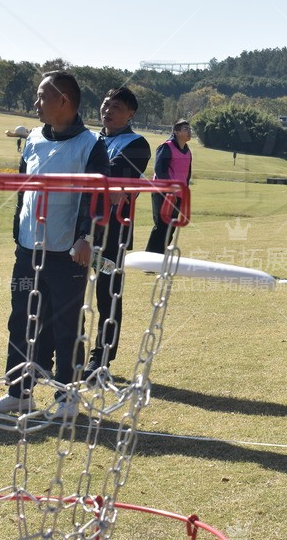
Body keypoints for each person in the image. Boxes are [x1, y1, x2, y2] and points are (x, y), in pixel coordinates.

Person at [0, 71, 108, 417]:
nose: (35, 104)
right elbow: (24, 189)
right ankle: (18, 392)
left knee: (67, 325)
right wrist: (17, 235)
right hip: (28, 249)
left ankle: (67, 396)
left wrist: (86, 237)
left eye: (41, 97)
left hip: (68, 253)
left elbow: (96, 199)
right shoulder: (35, 138)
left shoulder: (91, 145)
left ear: (63, 101)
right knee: (20, 320)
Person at [85, 87, 151, 376]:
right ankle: (68, 354)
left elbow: (109, 184)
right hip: (77, 228)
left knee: (106, 293)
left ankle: (100, 358)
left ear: (130, 114)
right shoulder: (89, 139)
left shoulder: (137, 143)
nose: (108, 110)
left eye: (117, 106)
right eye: (105, 103)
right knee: (69, 291)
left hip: (112, 234)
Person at [145, 120, 192, 254]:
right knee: (161, 226)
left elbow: (187, 175)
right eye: (185, 129)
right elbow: (160, 171)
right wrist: (170, 192)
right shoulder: (166, 147)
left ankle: (160, 257)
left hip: (179, 194)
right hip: (163, 192)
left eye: (189, 129)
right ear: (176, 132)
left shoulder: (188, 151)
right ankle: (150, 259)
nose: (189, 132)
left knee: (171, 226)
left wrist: (184, 193)